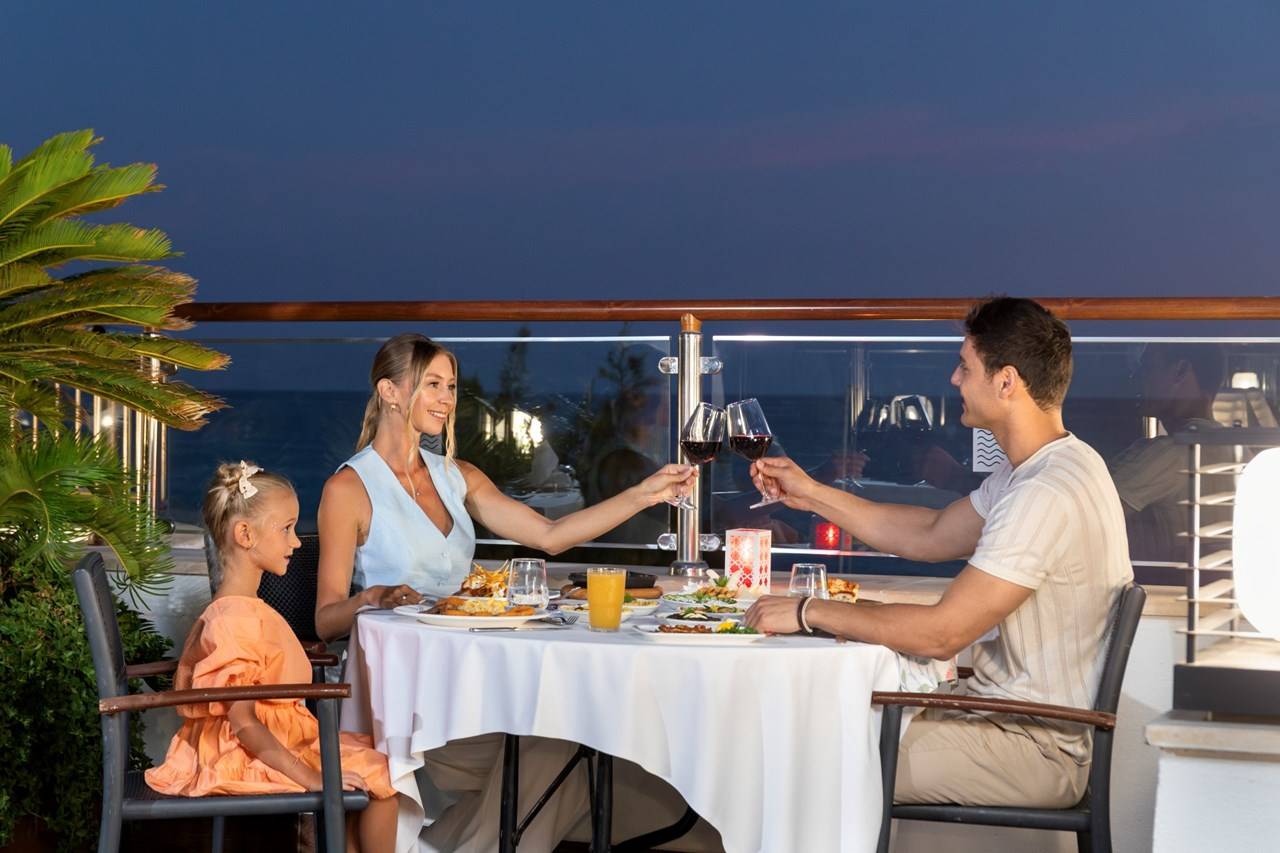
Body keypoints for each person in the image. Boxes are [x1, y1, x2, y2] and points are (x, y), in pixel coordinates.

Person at [314, 333, 697, 851]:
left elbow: (550, 536)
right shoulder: (348, 489)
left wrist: (642, 494)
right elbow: (325, 619)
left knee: (569, 743)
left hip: (470, 684)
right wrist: (370, 598)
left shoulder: (458, 477)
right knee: (558, 749)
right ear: (390, 391)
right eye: (432, 385)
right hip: (402, 699)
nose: (447, 399)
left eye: (452, 386)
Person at [745, 296, 1132, 808]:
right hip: (995, 715)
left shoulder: (1044, 492)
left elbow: (941, 634)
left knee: (804, 750)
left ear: (1006, 382)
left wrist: (806, 611)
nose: (954, 379)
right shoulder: (1050, 467)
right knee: (811, 721)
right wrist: (812, 493)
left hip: (1032, 744)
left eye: (964, 366)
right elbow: (930, 532)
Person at [147, 462, 398, 853]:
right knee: (383, 778)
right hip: (240, 754)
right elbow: (243, 723)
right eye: (286, 529)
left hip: (280, 738)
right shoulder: (234, 620)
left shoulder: (247, 608)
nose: (296, 543)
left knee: (375, 768)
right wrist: (311, 777)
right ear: (245, 534)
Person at [1109, 342, 1231, 573]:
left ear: (1180, 371)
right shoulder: (1240, 452)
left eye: (1147, 368)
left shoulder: (1168, 454)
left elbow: (1081, 515)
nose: (1136, 378)